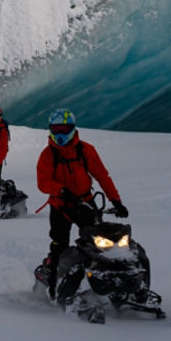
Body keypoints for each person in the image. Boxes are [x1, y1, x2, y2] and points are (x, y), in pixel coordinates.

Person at [33, 108, 129, 301]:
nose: (60, 134)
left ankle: (109, 284)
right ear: (51, 129)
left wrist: (116, 201)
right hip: (60, 206)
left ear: (72, 128)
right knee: (59, 246)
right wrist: (60, 190)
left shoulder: (85, 150)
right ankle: (54, 289)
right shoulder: (48, 155)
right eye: (56, 129)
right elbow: (42, 183)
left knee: (100, 244)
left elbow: (102, 176)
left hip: (85, 203)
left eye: (64, 128)